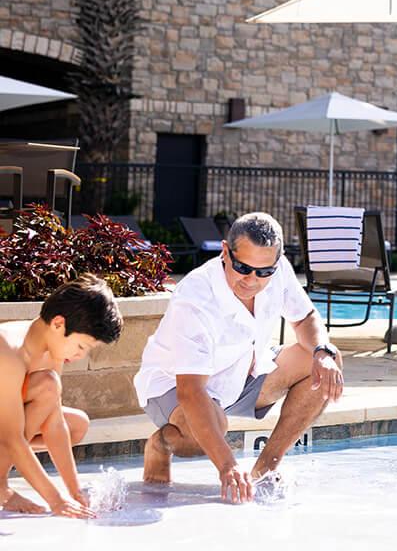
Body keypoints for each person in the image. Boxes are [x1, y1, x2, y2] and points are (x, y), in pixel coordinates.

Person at [135, 212, 344, 503]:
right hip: (172, 386)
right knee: (210, 429)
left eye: (263, 272)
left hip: (242, 374)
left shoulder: (277, 268)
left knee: (325, 362)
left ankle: (265, 470)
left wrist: (323, 351)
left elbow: (306, 317)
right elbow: (191, 391)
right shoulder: (195, 298)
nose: (252, 280)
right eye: (243, 267)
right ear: (225, 252)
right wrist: (228, 466)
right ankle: (160, 444)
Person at [0, 274, 122, 517]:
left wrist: (75, 492)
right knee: (46, 387)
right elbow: (12, 438)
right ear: (58, 324)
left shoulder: (51, 350)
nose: (80, 356)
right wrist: (55, 500)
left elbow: (54, 423)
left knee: (74, 423)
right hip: (6, 431)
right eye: (81, 346)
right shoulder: (9, 352)